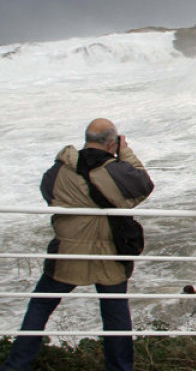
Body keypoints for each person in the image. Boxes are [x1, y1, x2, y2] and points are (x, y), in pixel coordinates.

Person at [1, 118, 154, 371]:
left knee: (40, 306)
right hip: (108, 255)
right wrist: (124, 152)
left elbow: (49, 194)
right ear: (111, 143)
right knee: (115, 317)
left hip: (68, 253)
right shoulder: (116, 172)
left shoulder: (58, 172)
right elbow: (143, 183)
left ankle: (16, 365)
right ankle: (119, 368)